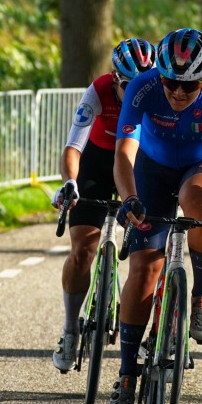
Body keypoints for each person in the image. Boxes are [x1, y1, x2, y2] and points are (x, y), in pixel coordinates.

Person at [108, 28, 202, 404]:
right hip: (152, 169)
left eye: (189, 87)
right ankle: (126, 374)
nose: (177, 92)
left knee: (196, 199)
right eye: (170, 82)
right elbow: (124, 154)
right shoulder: (142, 87)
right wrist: (129, 199)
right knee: (143, 270)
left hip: (201, 166)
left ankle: (201, 294)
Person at [51, 38, 156, 373]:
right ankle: (70, 330)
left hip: (136, 167)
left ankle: (160, 332)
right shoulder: (98, 91)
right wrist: (70, 182)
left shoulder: (158, 95)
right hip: (98, 166)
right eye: (129, 85)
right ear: (114, 79)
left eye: (143, 83)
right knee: (83, 249)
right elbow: (74, 146)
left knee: (151, 255)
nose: (137, 92)